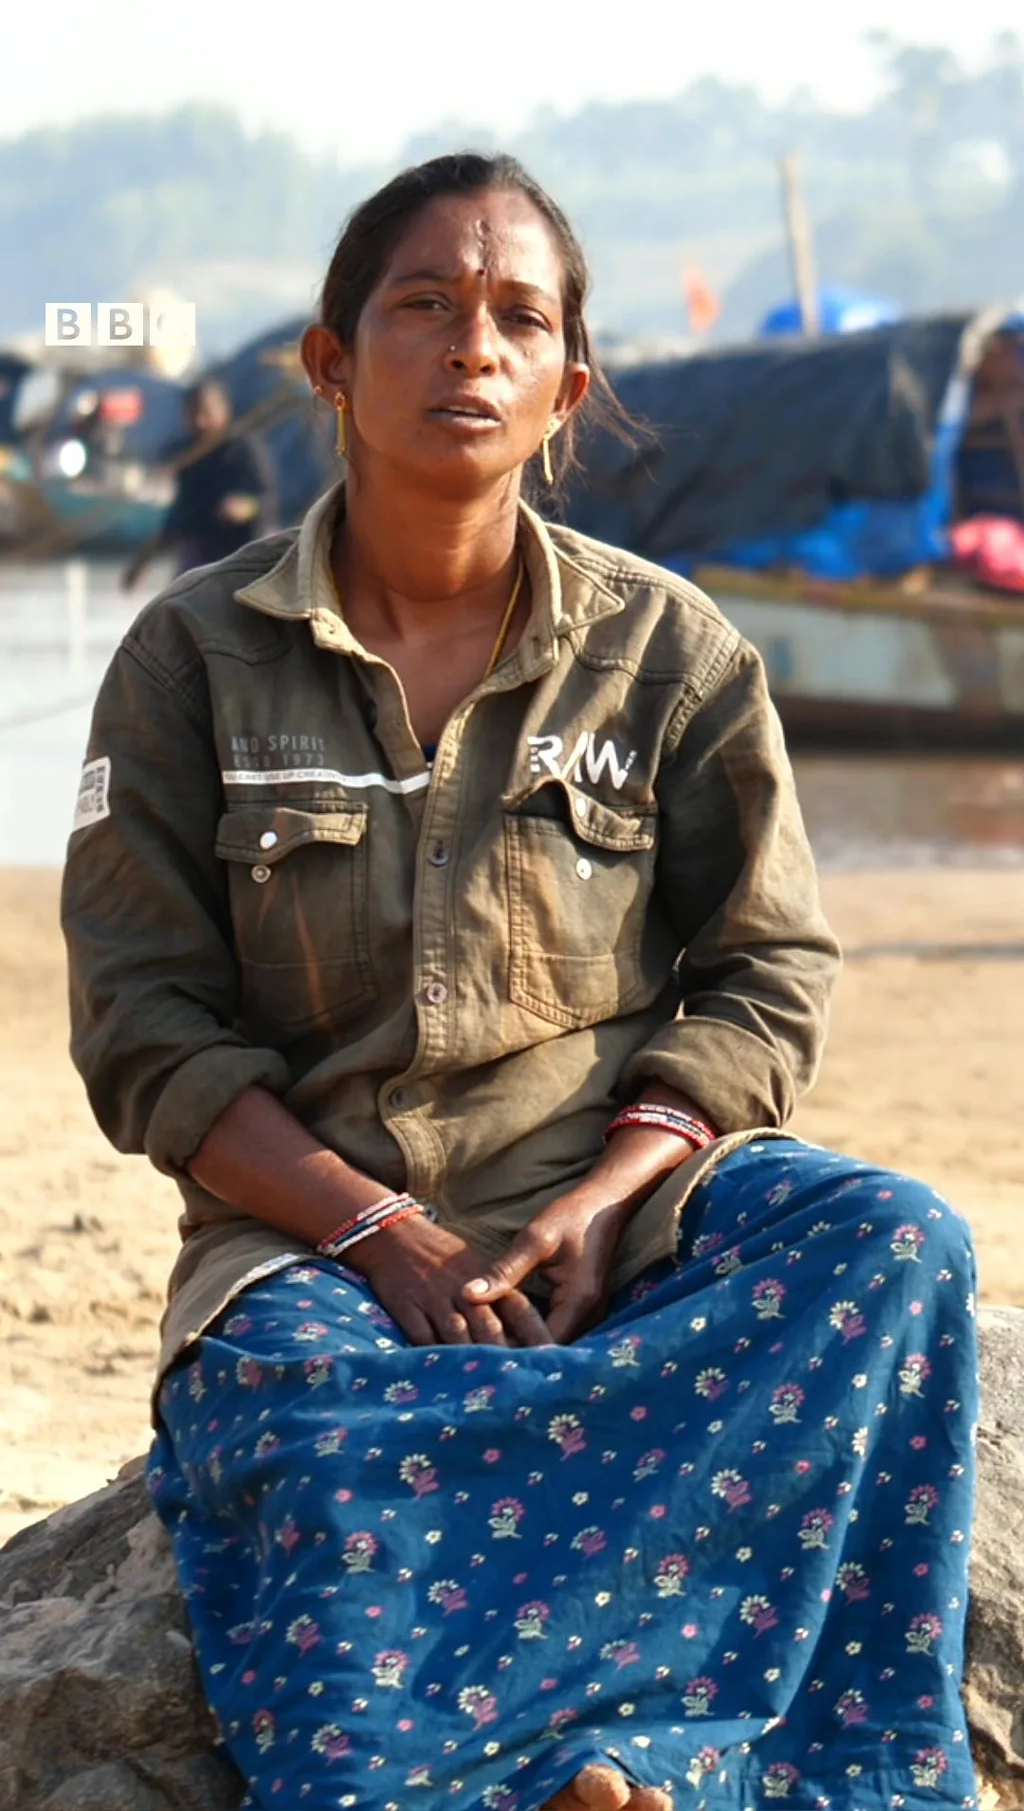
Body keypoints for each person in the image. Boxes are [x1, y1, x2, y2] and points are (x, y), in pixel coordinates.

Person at [61, 153, 979, 1811]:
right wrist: (375, 1231)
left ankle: (660, 1765)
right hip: (310, 1238)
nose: (470, 346)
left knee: (893, 1242)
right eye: (422, 304)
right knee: (314, 1427)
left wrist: (607, 1202)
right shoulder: (192, 658)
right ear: (330, 361)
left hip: (626, 1213)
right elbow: (143, 1027)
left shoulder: (670, 652)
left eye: (517, 318)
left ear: (567, 386)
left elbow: (767, 972)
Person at [121, 376, 271, 590]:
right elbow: (180, 515)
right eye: (193, 414)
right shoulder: (187, 455)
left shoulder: (244, 449)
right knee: (183, 595)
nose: (200, 422)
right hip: (202, 554)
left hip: (246, 554)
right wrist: (143, 560)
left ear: (223, 410)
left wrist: (245, 507)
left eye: (206, 412)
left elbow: (266, 498)